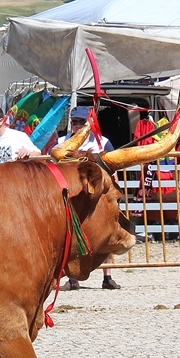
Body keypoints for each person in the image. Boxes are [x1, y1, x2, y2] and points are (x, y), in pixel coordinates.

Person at [54, 106, 121, 290]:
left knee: (105, 233)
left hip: (98, 196)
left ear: (89, 123)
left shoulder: (102, 142)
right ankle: (72, 278)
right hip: (72, 195)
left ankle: (107, 276)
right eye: (74, 122)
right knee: (72, 234)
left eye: (81, 122)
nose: (77, 125)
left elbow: (113, 170)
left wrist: (114, 192)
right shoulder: (61, 142)